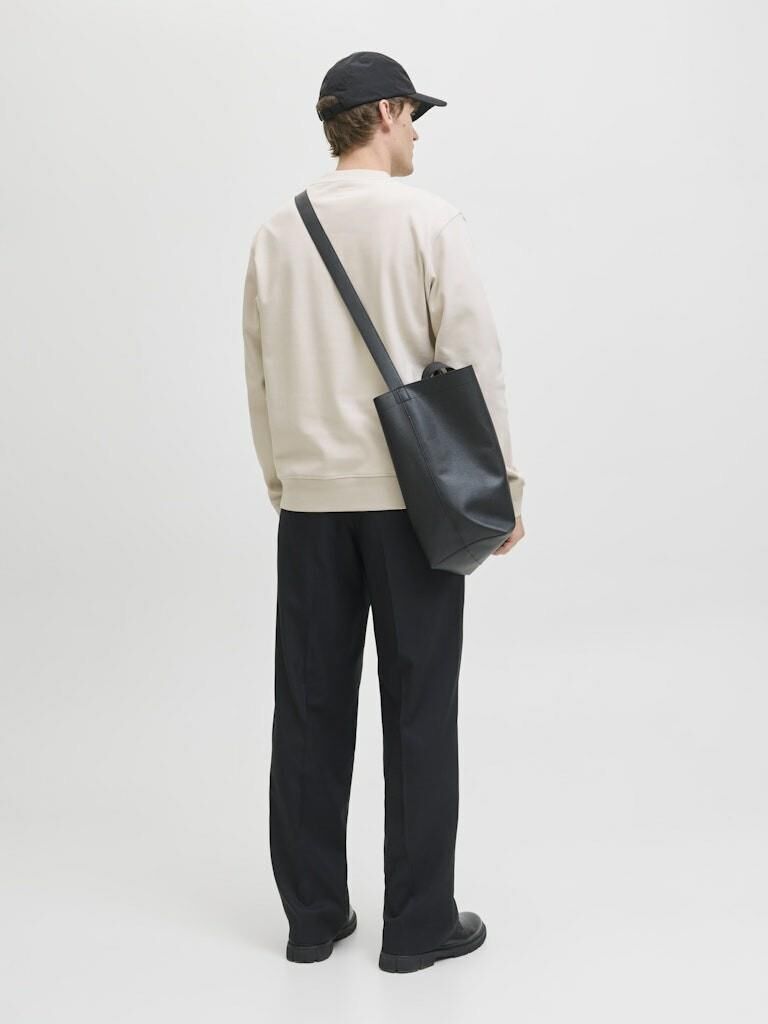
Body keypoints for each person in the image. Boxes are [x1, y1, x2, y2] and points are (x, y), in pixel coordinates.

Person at [242, 51, 526, 973]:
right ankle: (417, 925)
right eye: (416, 119)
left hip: (312, 506)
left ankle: (312, 918)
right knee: (419, 710)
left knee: (308, 710)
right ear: (390, 113)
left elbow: (260, 373)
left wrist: (286, 483)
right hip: (415, 505)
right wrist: (502, 487)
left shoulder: (278, 230)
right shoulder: (427, 219)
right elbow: (472, 360)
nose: (417, 138)